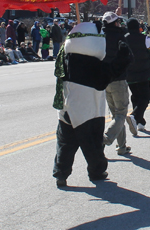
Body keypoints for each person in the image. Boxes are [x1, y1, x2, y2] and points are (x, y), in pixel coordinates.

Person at [53, 22, 131, 187]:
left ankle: (61, 173)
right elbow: (105, 77)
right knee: (92, 144)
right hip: (87, 110)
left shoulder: (65, 58)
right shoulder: (90, 63)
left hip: (66, 108)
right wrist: (124, 56)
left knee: (65, 143)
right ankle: (96, 171)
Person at [102, 10, 132, 156]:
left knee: (116, 114)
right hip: (118, 79)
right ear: (115, 23)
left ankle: (122, 146)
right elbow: (128, 56)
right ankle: (105, 138)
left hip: (105, 80)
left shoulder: (100, 36)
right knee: (121, 113)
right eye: (118, 21)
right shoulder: (120, 37)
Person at [124, 18, 150, 134]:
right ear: (139, 28)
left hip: (129, 73)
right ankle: (135, 116)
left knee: (136, 97)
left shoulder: (124, 39)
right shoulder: (145, 38)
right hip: (143, 73)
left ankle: (140, 122)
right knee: (145, 98)